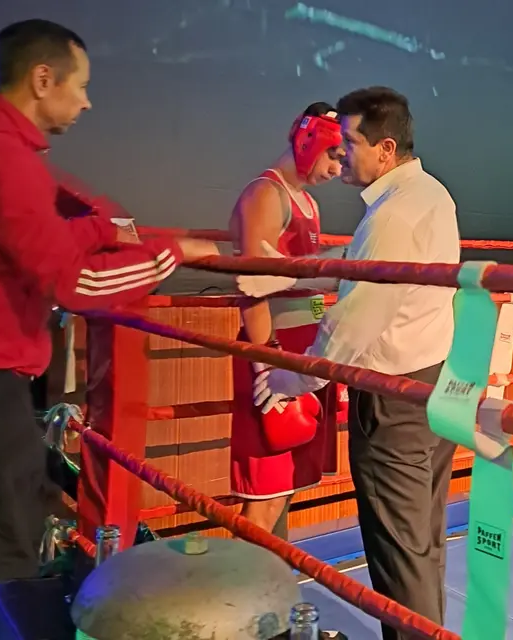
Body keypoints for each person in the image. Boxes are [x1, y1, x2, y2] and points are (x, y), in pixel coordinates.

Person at [0, 19, 217, 589]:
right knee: (3, 560)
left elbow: (35, 241)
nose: (86, 102)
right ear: (42, 80)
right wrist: (170, 254)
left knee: (9, 536)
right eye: (79, 85)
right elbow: (75, 284)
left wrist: (102, 229)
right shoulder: (5, 159)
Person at [238, 87, 460, 638]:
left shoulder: (392, 215)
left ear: (385, 149)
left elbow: (354, 322)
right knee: (421, 543)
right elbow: (358, 263)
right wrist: (288, 273)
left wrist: (291, 377)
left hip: (391, 398)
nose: (342, 157)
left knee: (400, 554)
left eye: (351, 144)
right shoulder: (429, 194)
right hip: (430, 383)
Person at [228, 102, 345, 536]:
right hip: (274, 353)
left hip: (304, 350)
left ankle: (273, 574)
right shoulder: (266, 194)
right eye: (333, 155)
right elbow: (252, 285)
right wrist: (268, 360)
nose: (337, 169)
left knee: (288, 484)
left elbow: (305, 283)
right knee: (265, 493)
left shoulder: (308, 203)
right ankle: (245, 580)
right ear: (309, 138)